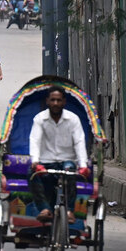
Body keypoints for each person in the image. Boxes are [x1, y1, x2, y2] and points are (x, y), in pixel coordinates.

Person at [28, 86, 91, 223]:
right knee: (32, 174)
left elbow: (79, 142)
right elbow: (35, 140)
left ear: (64, 102)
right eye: (53, 100)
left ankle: (69, 211)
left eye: (58, 100)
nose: (55, 103)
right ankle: (44, 209)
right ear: (47, 101)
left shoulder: (73, 119)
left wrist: (83, 165)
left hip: (66, 161)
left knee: (71, 173)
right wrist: (35, 161)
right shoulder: (39, 119)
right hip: (45, 162)